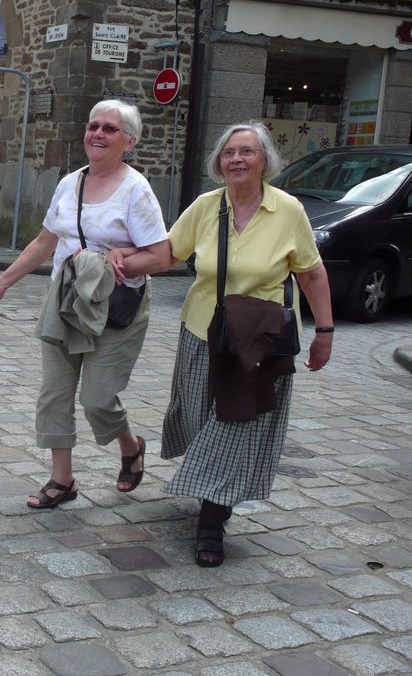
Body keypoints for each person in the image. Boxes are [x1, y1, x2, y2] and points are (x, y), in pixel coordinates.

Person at [116, 120, 333, 568]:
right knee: (200, 418)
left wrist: (325, 332)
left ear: (264, 161)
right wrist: (120, 259)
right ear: (219, 162)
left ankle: (212, 525)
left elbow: (311, 273)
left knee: (235, 425)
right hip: (202, 331)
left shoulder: (288, 210)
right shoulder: (205, 207)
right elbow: (169, 254)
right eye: (229, 152)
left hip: (259, 340)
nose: (237, 159)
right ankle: (214, 489)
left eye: (247, 151)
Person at [0, 100, 169, 509]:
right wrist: (5, 281)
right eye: (93, 125)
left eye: (110, 129)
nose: (98, 134)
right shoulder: (70, 183)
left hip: (116, 305)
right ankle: (62, 480)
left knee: (98, 399)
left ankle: (130, 445)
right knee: (55, 394)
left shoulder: (137, 190)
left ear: (129, 142)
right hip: (65, 301)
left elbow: (163, 255)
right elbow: (46, 241)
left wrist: (122, 257)